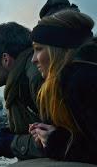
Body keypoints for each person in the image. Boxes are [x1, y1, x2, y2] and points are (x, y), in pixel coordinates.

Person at [29, 9, 97, 164]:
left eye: (39, 49)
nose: (33, 59)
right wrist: (47, 136)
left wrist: (56, 142)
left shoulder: (82, 81)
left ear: (60, 49)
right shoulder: (76, 78)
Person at [0, 22, 44, 160]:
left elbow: (59, 141)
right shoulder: (24, 78)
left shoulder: (34, 81)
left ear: (5, 59)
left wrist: (13, 142)